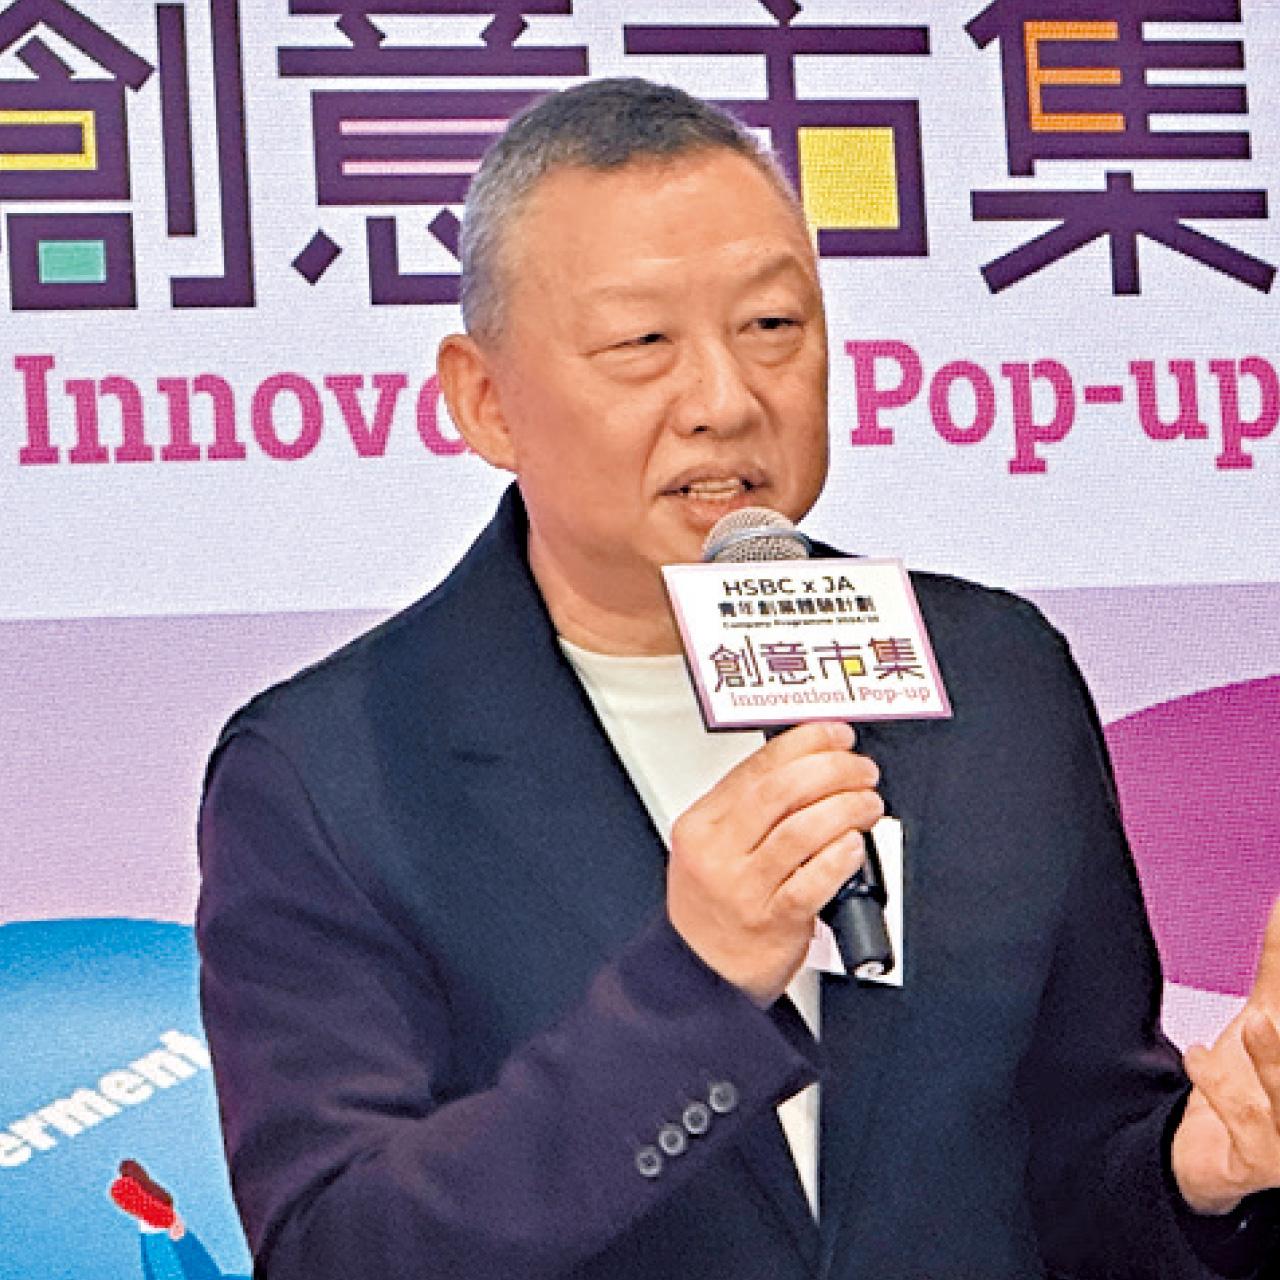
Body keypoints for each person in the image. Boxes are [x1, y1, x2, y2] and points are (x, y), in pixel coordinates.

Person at [196, 78, 1280, 1279]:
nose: (725, 400)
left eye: (772, 326)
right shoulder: (328, 770)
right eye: (641, 344)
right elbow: (338, 1246)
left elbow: (1079, 1180)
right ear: (485, 400)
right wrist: (694, 988)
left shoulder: (989, 677)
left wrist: (1202, 1169)